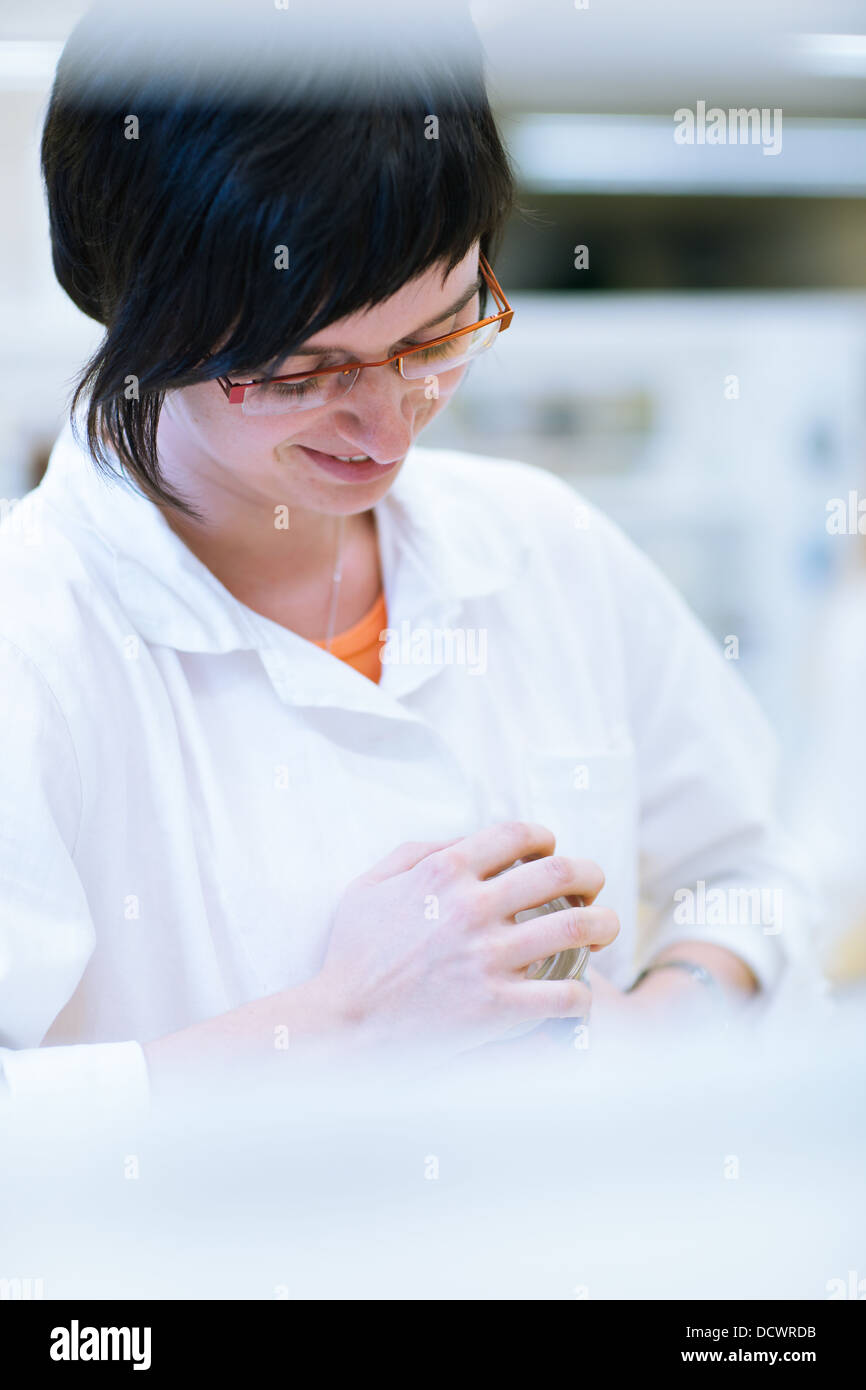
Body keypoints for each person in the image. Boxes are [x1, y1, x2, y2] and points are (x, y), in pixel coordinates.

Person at [0, 1, 808, 1111]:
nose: (390, 427)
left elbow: (752, 877)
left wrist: (660, 1023)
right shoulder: (31, 642)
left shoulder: (543, 545)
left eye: (435, 337)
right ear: (133, 314)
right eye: (300, 370)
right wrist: (344, 1024)